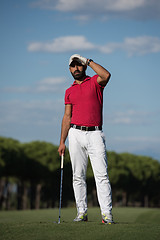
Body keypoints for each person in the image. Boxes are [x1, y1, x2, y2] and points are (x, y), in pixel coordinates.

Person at [58, 54, 114, 224]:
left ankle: (106, 214)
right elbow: (67, 116)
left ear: (84, 67)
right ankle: (81, 212)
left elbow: (107, 75)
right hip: (75, 134)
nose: (76, 68)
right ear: (69, 69)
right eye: (73, 66)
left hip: (95, 134)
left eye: (79, 65)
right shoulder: (69, 91)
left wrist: (88, 61)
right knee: (77, 176)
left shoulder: (95, 82)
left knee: (102, 175)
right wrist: (62, 141)